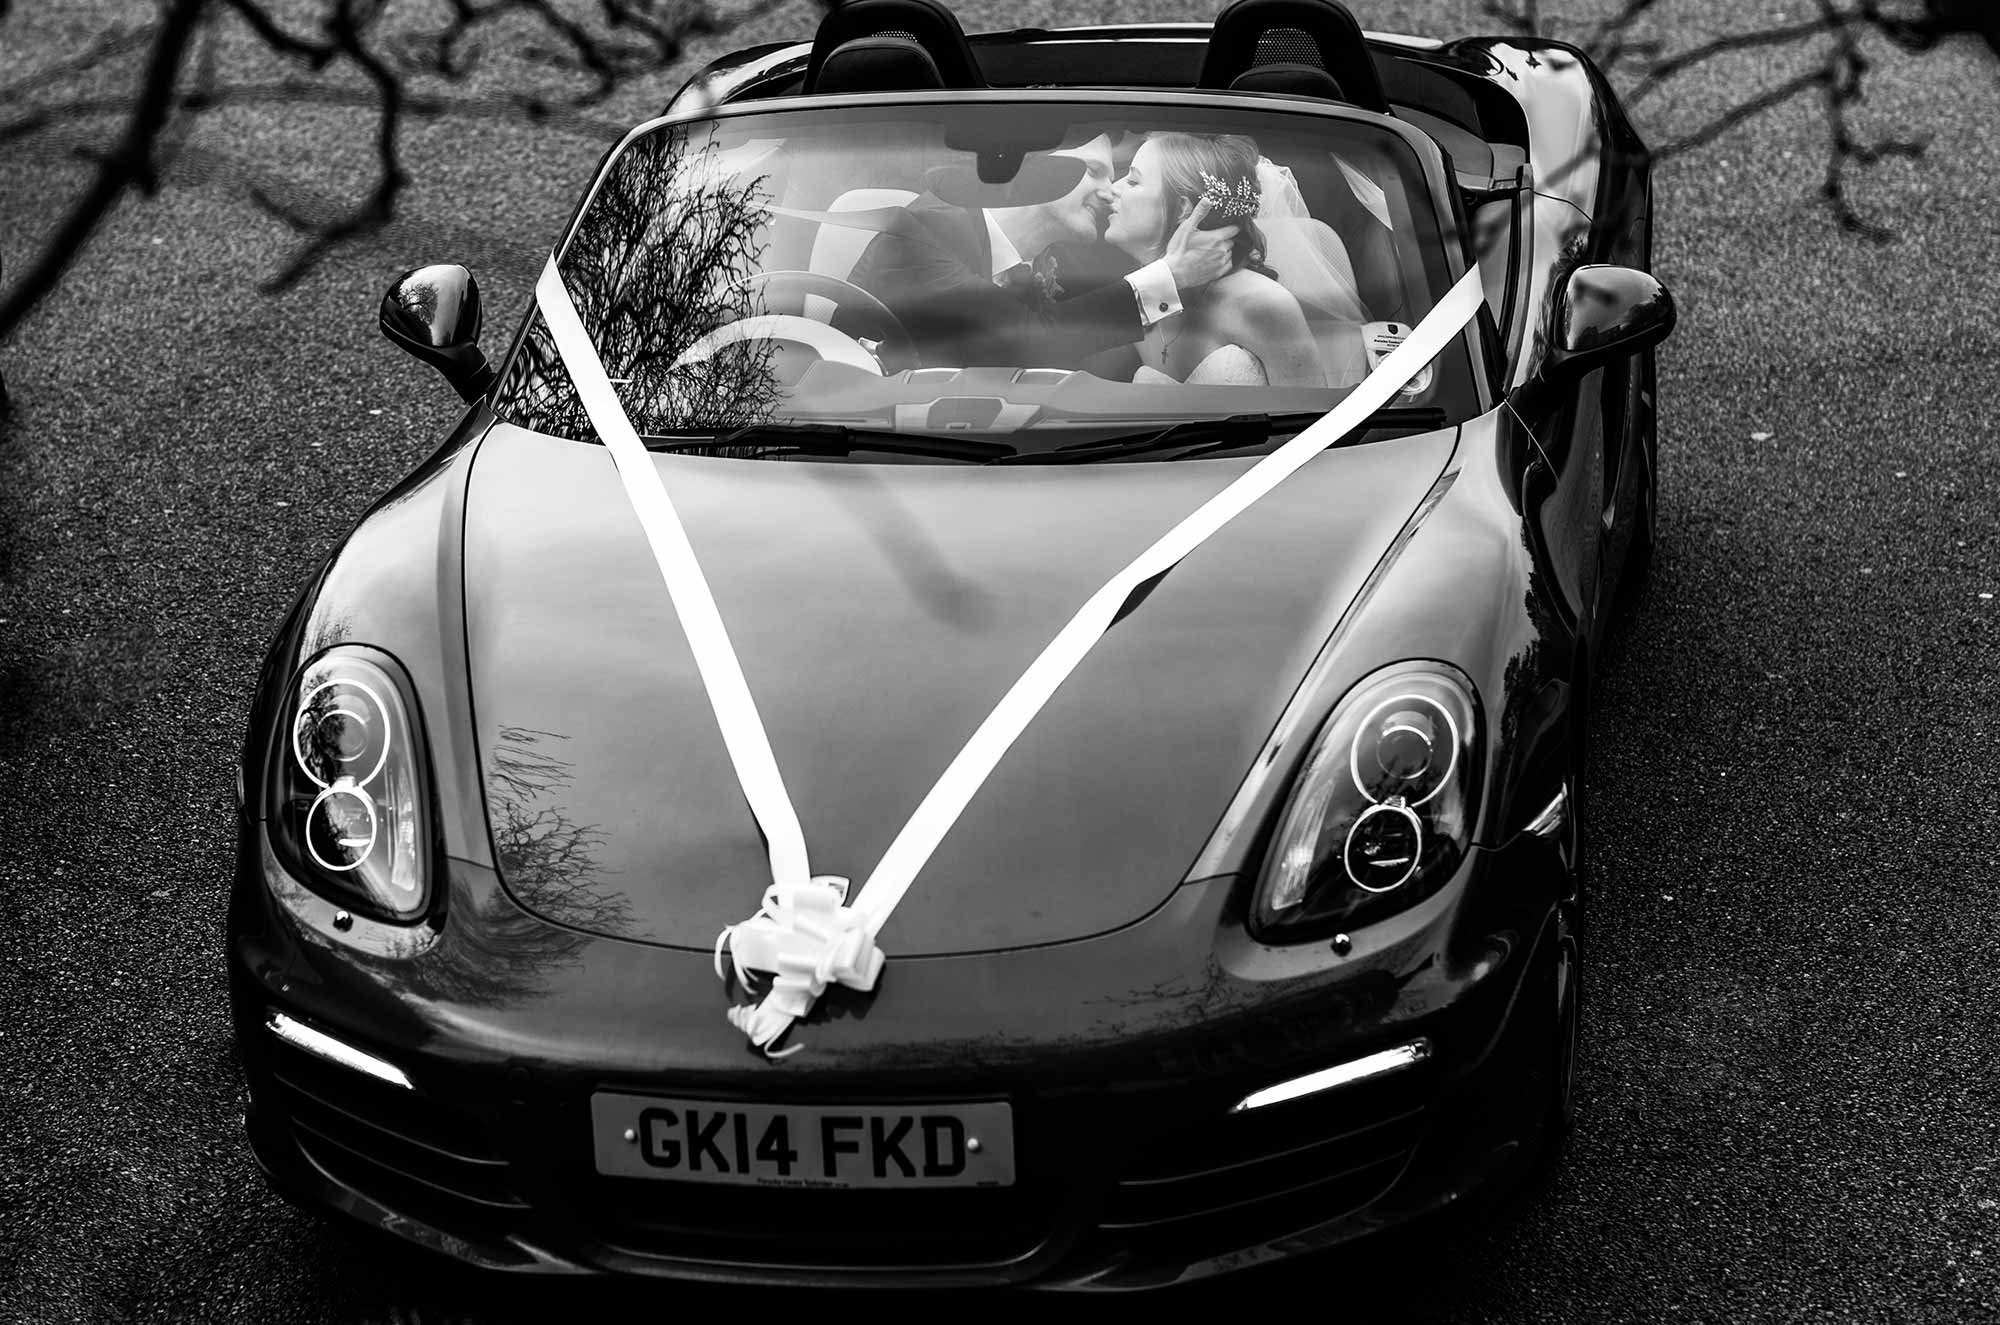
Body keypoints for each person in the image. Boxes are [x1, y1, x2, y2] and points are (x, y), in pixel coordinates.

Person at [846, 133, 1240, 368]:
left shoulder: (1061, 262)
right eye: (1092, 171)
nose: (1110, 191)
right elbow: (1028, 341)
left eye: (1119, 177)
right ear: (1029, 169)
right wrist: (1171, 277)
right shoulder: (920, 232)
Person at [1104, 133, 1333, 388]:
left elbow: (1306, 416)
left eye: (1133, 180)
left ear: (1182, 209)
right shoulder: (1138, 293)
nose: (1113, 187)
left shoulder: (1262, 303)